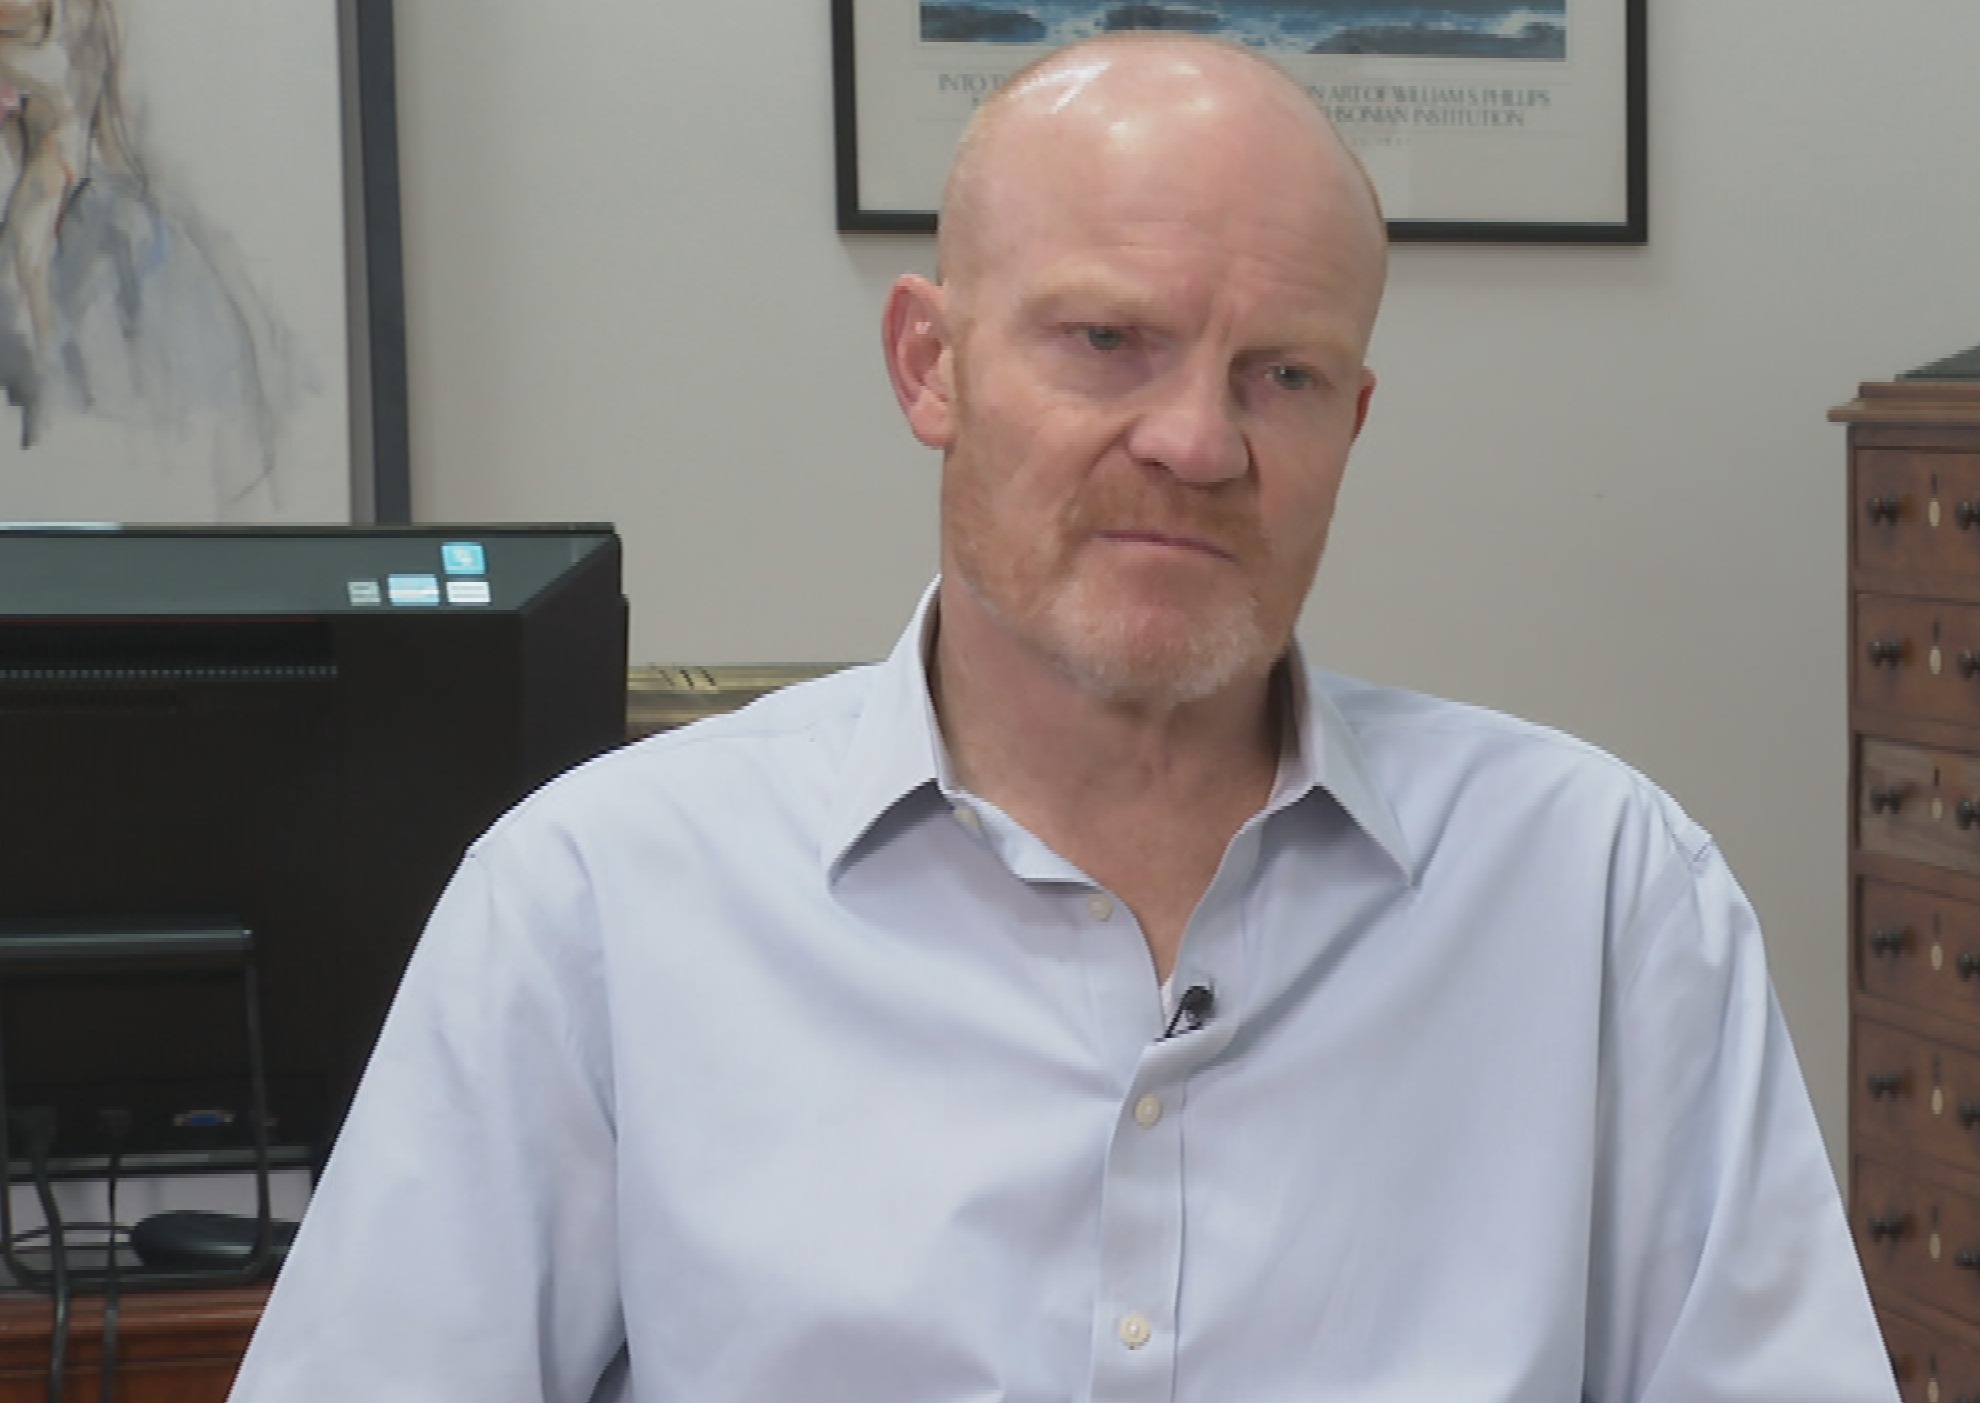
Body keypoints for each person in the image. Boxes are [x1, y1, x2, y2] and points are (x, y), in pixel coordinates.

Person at [230, 34, 1893, 1403]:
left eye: (1283, 375)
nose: (1198, 442)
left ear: (1354, 420)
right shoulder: (596, 907)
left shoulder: (1603, 898)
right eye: (1110, 341)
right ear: (930, 365)